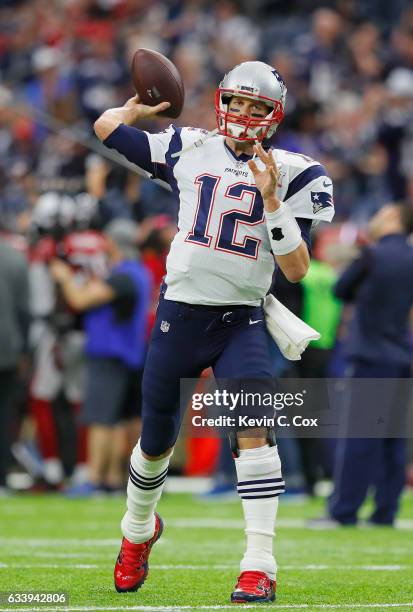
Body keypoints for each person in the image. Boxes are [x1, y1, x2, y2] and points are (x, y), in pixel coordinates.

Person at [94, 61, 334, 603]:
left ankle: (259, 562)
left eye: (257, 109)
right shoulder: (189, 146)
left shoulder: (298, 173)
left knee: (254, 427)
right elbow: (106, 129)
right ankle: (136, 534)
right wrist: (133, 109)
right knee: (156, 441)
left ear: (274, 117)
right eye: (238, 103)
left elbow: (296, 269)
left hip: (240, 320)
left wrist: (271, 201)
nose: (244, 117)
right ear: (221, 101)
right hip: (180, 315)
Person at [327, 204, 413, 526]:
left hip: (370, 356)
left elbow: (340, 289)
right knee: (392, 439)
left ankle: (344, 510)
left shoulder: (371, 255)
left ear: (394, 219)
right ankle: (385, 511)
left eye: (381, 213)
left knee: (359, 438)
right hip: (401, 357)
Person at [50, 219, 152, 495]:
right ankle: (113, 477)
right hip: (129, 354)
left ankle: (94, 478)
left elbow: (80, 300)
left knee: (100, 419)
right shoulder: (139, 272)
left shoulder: (123, 275)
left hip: (110, 354)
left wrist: (64, 277)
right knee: (121, 420)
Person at [0, 231, 30, 493]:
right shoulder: (15, 259)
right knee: (5, 413)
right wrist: (24, 351)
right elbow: (24, 311)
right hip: (7, 347)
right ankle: (2, 473)